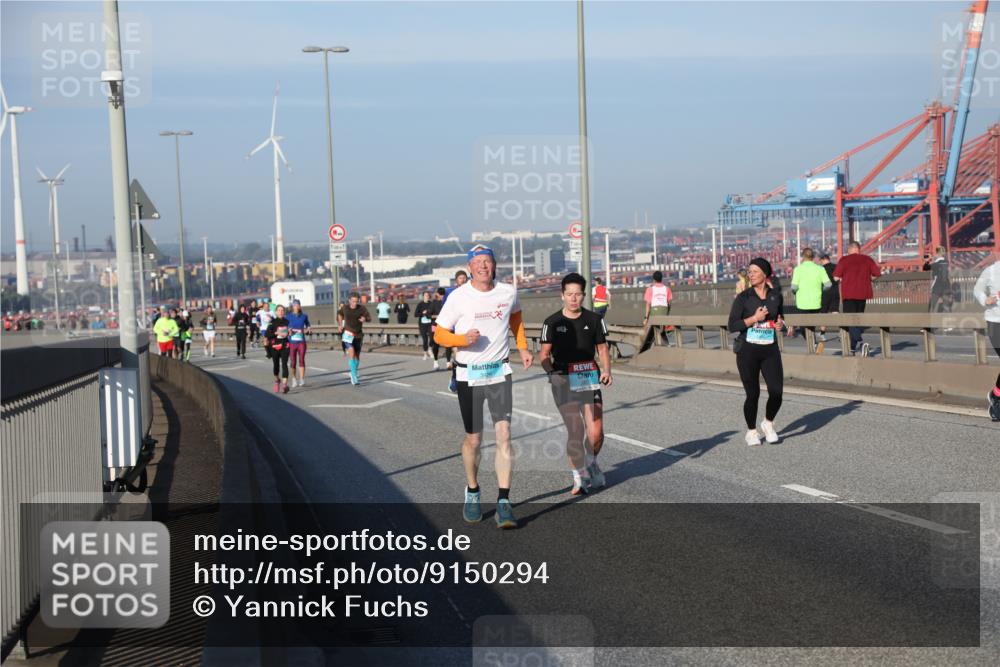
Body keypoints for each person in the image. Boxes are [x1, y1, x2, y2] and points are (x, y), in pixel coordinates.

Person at [433, 244, 533, 529]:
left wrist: (523, 347)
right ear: (470, 267)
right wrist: (461, 340)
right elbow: (439, 334)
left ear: (494, 265)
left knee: (504, 435)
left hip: (499, 371)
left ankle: (504, 502)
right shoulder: (458, 297)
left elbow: (516, 318)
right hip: (469, 375)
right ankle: (473, 490)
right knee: (474, 440)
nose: (482, 266)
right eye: (477, 262)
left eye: (487, 261)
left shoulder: (508, 292)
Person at [540, 273, 612, 495]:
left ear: (583, 295)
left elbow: (602, 349)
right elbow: (544, 355)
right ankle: (579, 476)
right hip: (563, 378)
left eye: (578, 294)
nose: (573, 298)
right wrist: (551, 373)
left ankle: (590, 462)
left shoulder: (594, 319)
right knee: (576, 429)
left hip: (588, 377)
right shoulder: (551, 322)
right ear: (562, 295)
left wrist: (607, 370)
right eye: (569, 294)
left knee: (596, 432)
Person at [728, 258, 785, 446]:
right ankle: (751, 431)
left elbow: (780, 318)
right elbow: (732, 325)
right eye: (749, 271)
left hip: (770, 350)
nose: (750, 275)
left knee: (776, 392)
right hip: (747, 351)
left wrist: (780, 324)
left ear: (764, 274)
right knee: (753, 394)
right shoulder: (743, 298)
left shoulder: (776, 296)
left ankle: (768, 423)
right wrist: (754, 318)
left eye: (754, 271)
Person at [832, 241, 881, 356]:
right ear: (859, 249)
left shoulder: (844, 260)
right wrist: (869, 279)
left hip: (849, 294)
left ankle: (858, 339)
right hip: (863, 294)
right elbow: (877, 274)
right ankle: (852, 348)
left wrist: (842, 279)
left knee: (850, 320)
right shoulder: (867, 259)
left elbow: (835, 277)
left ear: (849, 250)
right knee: (858, 320)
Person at [972, 259, 1000, 421]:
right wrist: (985, 299)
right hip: (996, 323)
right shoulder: (992, 270)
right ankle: (997, 398)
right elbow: (977, 289)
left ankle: (996, 395)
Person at [789, 247, 831, 348]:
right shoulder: (820, 269)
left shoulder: (798, 269)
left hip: (802, 303)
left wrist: (795, 292)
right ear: (813, 257)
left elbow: (793, 287)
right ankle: (813, 345)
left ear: (803, 257)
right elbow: (828, 284)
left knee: (803, 327)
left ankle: (813, 344)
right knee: (811, 325)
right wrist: (821, 291)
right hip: (816, 302)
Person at [444, 270, 469, 392]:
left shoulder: (472, 292)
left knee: (469, 356)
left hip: (468, 328)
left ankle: (469, 380)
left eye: (464, 277)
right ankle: (454, 379)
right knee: (457, 355)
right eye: (460, 278)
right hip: (455, 329)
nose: (463, 280)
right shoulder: (450, 292)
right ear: (456, 280)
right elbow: (445, 310)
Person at [338, 292, 370, 386]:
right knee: (351, 352)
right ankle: (354, 376)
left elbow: (369, 317)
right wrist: (340, 325)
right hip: (348, 334)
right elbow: (339, 314)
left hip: (358, 335)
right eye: (353, 301)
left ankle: (353, 371)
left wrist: (365, 319)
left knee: (357, 357)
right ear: (349, 300)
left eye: (356, 301)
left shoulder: (362, 308)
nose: (355, 303)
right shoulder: (345, 308)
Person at [265, 304, 291, 394]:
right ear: (276, 312)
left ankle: (284, 385)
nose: (280, 312)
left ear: (284, 312)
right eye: (279, 310)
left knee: (284, 364)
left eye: (282, 310)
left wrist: (290, 332)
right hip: (275, 346)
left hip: (285, 345)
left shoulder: (287, 322)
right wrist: (276, 333)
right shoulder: (272, 322)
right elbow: (267, 335)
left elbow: (291, 332)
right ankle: (277, 380)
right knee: (276, 366)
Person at [286, 299, 312, 387]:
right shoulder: (288, 316)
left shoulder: (304, 316)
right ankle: (294, 379)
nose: (296, 307)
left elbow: (308, 324)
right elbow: (284, 327)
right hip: (292, 342)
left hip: (301, 341)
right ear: (292, 306)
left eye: (298, 305)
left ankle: (302, 379)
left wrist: (308, 328)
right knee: (293, 361)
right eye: (295, 305)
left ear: (300, 306)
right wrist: (288, 331)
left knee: (301, 359)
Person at [642, 270, 672, 344]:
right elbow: (669, 304)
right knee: (662, 329)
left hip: (654, 315)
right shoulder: (667, 289)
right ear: (661, 278)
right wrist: (667, 314)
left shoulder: (650, 289)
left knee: (650, 330)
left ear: (654, 279)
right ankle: (666, 343)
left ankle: (648, 344)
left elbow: (648, 304)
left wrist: (646, 318)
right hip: (664, 313)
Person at [924, 246, 953, 313]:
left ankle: (930, 319)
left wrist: (927, 260)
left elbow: (925, 268)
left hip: (937, 287)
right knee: (947, 307)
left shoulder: (935, 264)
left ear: (937, 253)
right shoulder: (946, 262)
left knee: (931, 307)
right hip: (947, 286)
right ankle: (949, 318)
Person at [429, 287, 446, 369]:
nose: (442, 296)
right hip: (434, 325)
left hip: (445, 325)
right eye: (441, 294)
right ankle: (436, 361)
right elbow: (428, 315)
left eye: (443, 294)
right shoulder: (434, 303)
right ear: (437, 294)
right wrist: (436, 316)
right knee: (435, 343)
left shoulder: (447, 302)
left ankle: (448, 362)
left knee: (448, 344)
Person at [415, 292, 434, 360]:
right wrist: (422, 313)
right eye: (426, 295)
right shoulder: (420, 304)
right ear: (423, 296)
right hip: (422, 325)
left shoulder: (432, 304)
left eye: (428, 295)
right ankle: (425, 353)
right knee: (425, 339)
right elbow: (415, 314)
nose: (427, 297)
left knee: (432, 338)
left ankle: (430, 349)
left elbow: (434, 312)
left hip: (431, 324)